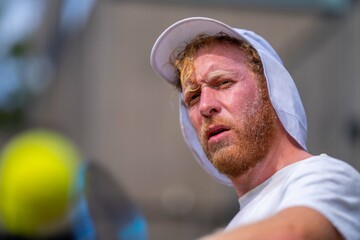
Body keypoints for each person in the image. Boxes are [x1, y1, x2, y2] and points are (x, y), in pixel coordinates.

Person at [150, 17, 360, 240]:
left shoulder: (326, 176)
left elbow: (294, 233)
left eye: (223, 83)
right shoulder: (237, 224)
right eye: (192, 97)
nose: (205, 106)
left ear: (271, 90)